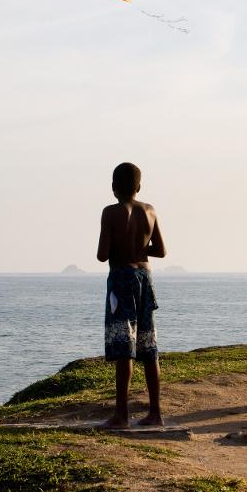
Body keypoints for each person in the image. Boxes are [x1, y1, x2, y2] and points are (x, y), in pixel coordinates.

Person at [97, 162, 167, 429]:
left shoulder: (110, 212)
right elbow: (160, 250)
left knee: (124, 347)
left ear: (113, 188)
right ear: (139, 187)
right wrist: (139, 246)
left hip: (121, 279)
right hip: (144, 278)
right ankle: (156, 414)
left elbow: (102, 254)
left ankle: (121, 415)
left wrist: (121, 246)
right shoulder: (149, 211)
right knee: (148, 346)